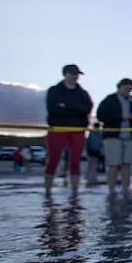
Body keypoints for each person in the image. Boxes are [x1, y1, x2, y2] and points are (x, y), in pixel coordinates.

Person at [45, 64, 93, 193]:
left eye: (76, 74)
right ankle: (48, 191)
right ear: (65, 74)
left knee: (75, 161)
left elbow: (87, 109)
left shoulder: (83, 93)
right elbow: (53, 109)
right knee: (53, 160)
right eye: (72, 73)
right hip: (58, 129)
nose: (75, 76)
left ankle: (75, 192)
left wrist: (66, 106)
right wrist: (76, 109)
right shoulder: (54, 90)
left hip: (77, 129)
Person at [96, 77, 132, 194]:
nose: (128, 91)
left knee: (127, 164)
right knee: (113, 164)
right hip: (113, 136)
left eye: (130, 89)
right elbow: (100, 115)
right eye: (126, 88)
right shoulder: (109, 99)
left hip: (130, 137)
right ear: (119, 87)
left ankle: (125, 190)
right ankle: (111, 190)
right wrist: (121, 116)